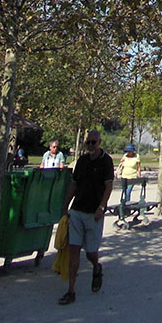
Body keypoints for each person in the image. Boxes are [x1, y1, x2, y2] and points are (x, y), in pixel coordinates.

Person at [58, 130, 114, 305]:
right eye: (87, 143)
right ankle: (71, 291)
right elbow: (74, 184)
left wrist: (101, 207)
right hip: (77, 211)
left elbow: (108, 187)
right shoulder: (81, 161)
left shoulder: (106, 161)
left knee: (90, 252)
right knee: (74, 250)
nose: (90, 146)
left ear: (99, 142)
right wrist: (65, 205)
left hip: (94, 213)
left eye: (93, 142)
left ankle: (96, 267)